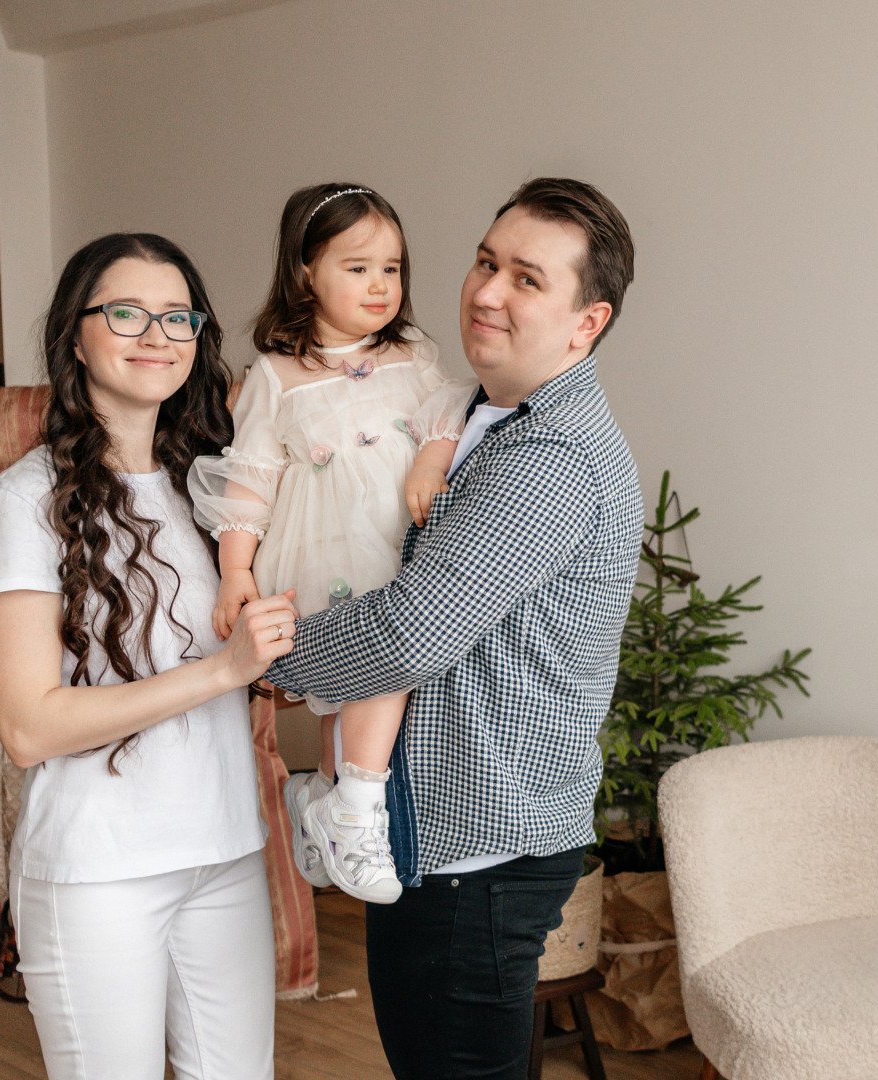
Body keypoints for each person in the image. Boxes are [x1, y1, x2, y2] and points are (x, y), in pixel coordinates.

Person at [266, 177, 646, 1079]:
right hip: (451, 833)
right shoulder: (479, 412)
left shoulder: (551, 456)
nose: (485, 291)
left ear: (584, 323)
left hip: (477, 853)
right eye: (485, 261)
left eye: (526, 278)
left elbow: (408, 634)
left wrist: (268, 659)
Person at [0, 232, 298, 1080]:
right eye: (127, 312)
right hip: (98, 873)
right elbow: (30, 726)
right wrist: (221, 671)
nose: (157, 334)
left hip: (224, 851)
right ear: (75, 336)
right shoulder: (23, 501)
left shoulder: (215, 489)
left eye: (177, 316)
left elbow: (235, 653)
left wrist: (271, 669)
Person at [187, 182, 472, 904]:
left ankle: (327, 797)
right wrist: (234, 572)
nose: (381, 286)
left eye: (393, 267)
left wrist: (433, 460)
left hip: (402, 545)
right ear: (304, 273)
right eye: (358, 267)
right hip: (325, 552)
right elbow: (249, 481)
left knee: (380, 677)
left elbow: (452, 417)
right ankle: (355, 808)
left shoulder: (412, 355)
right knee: (368, 676)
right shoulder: (277, 378)